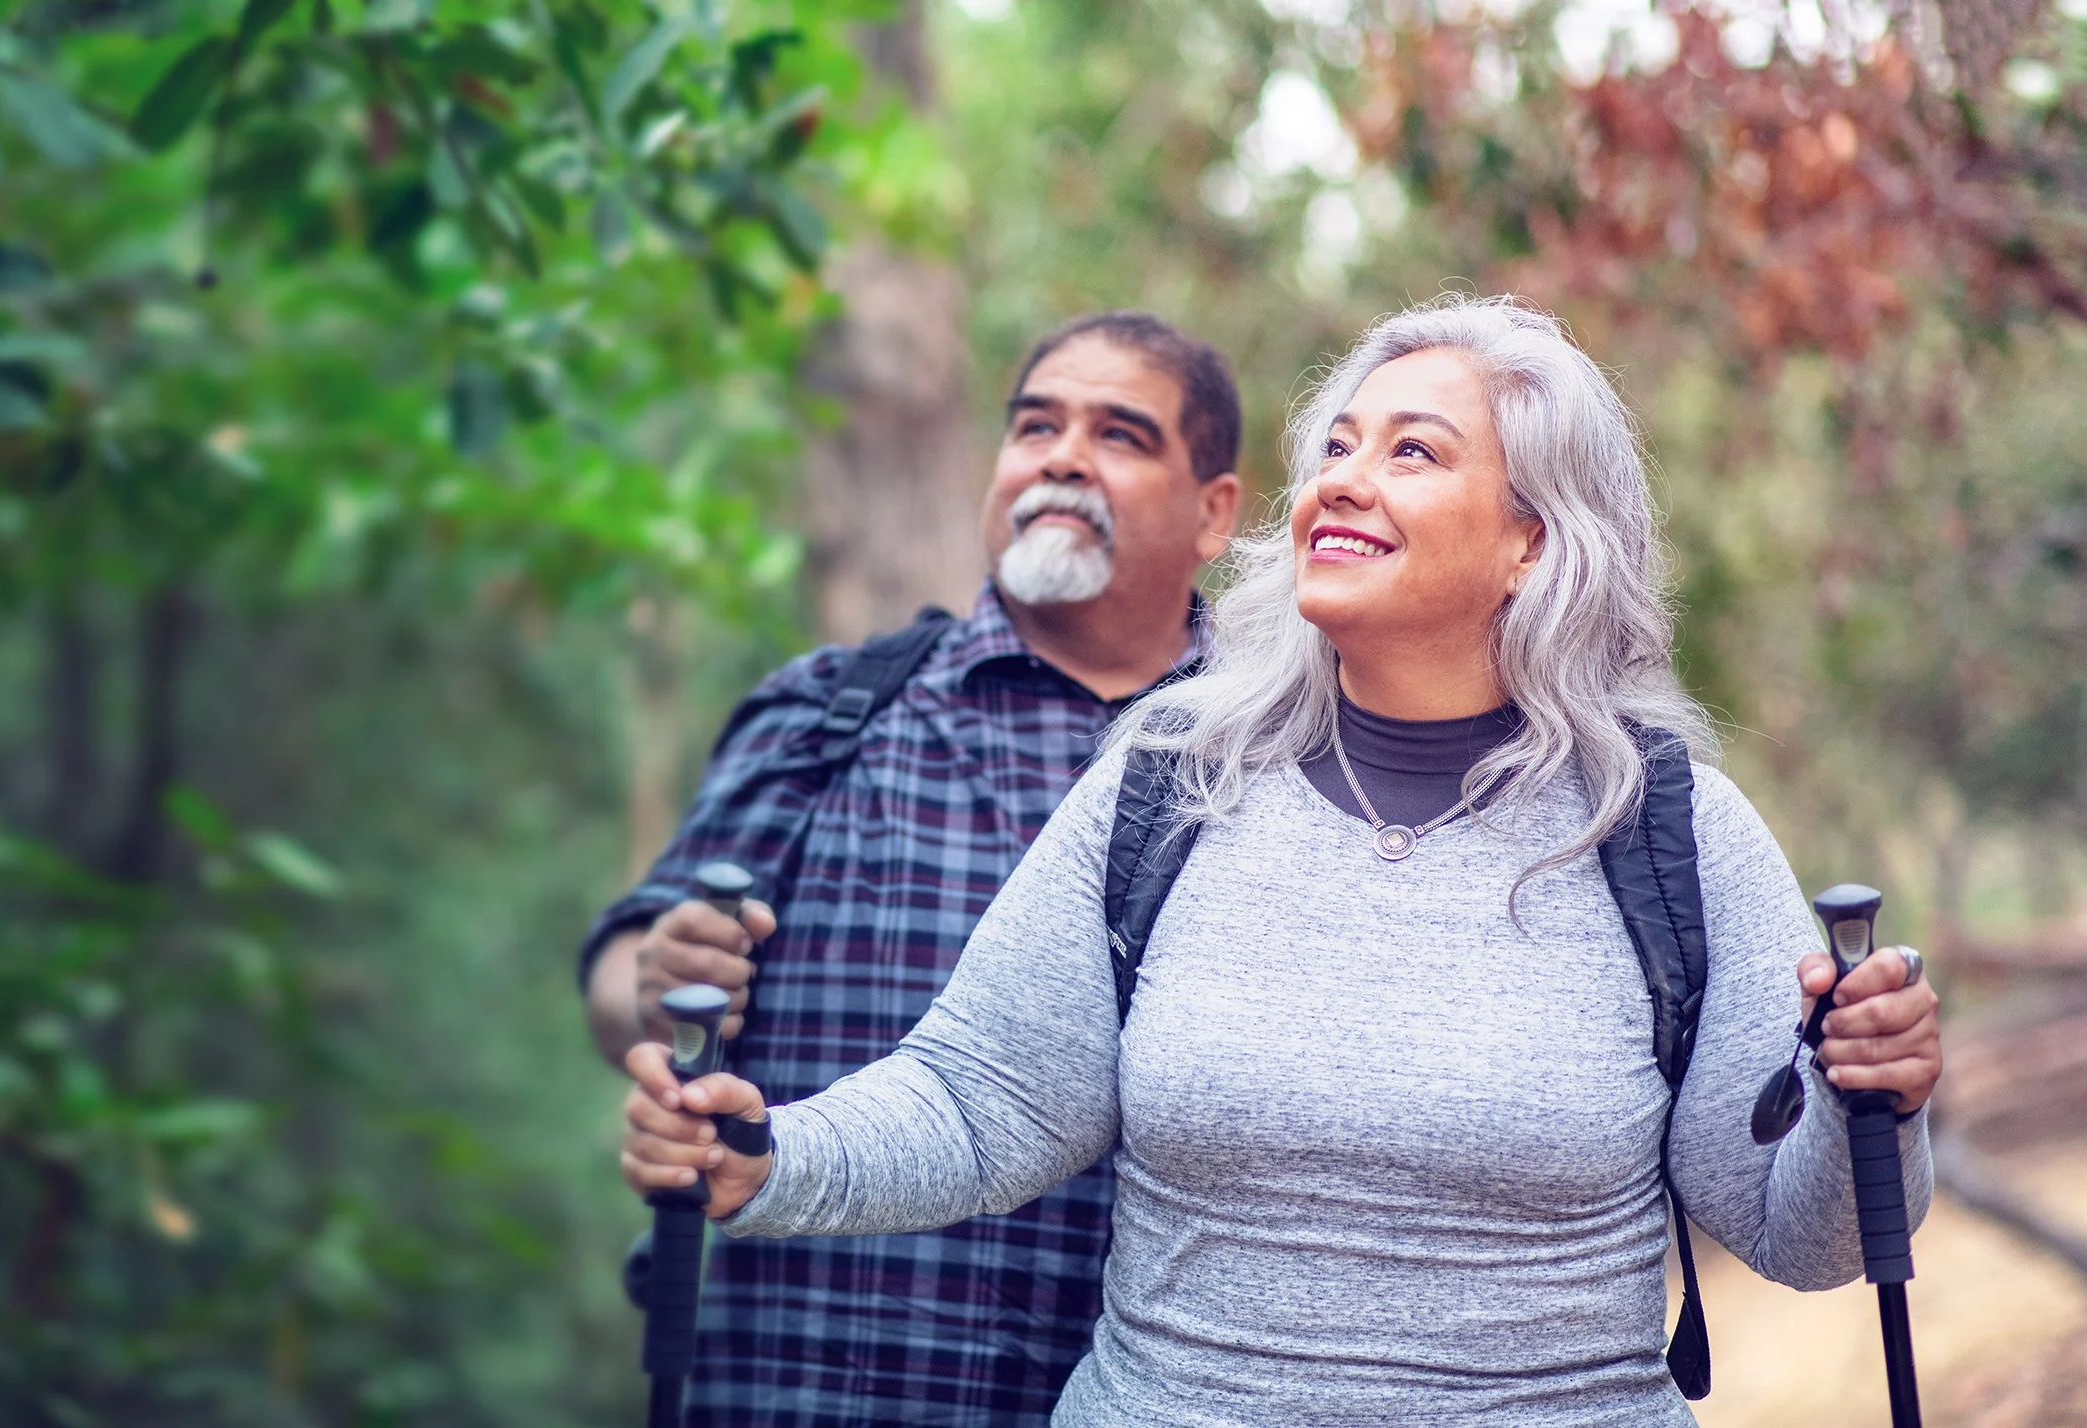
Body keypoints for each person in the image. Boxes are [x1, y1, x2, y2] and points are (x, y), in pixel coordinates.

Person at [618, 295, 1944, 1426]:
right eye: (1338, 447)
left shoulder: (1663, 826)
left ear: (1530, 539)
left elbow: (1807, 1237)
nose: (1342, 481)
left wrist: (1867, 1100)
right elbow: (981, 1103)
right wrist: (767, 1156)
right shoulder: (1175, 775)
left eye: (1412, 452)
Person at [580, 312, 1244, 1424]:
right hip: (800, 1389)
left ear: (1214, 511)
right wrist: (652, 979)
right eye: (1035, 427)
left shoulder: (1273, 765)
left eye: (1120, 435)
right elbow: (625, 984)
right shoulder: (830, 714)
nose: (1063, 458)